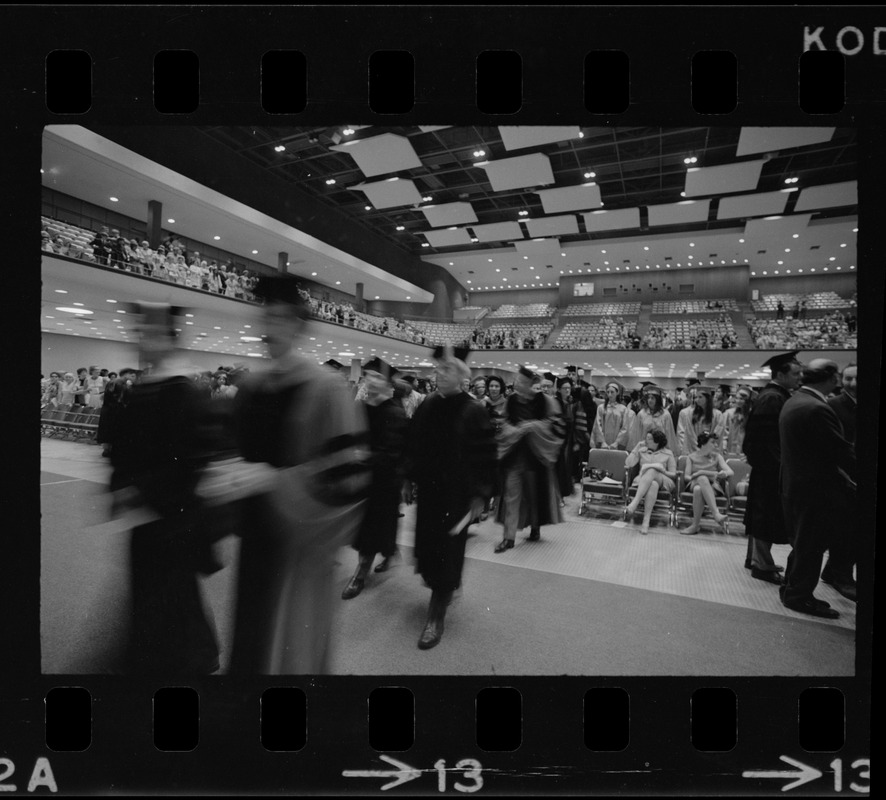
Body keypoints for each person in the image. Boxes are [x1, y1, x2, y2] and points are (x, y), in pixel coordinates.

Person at [228, 274, 370, 673]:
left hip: (301, 546)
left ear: (298, 326)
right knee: (251, 645)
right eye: (264, 317)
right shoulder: (251, 387)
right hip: (255, 537)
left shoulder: (327, 390)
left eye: (276, 318)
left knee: (291, 655)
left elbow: (348, 480)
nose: (266, 328)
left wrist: (275, 481)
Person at [108, 303, 220, 675]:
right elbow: (124, 447)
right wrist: (123, 483)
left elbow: (189, 461)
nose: (142, 340)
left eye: (151, 334)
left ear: (170, 340)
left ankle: (192, 659)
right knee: (166, 595)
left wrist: (141, 491)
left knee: (169, 595)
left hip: (172, 518)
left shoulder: (183, 392)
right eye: (140, 333)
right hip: (151, 515)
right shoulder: (147, 386)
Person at [404, 346, 497, 649]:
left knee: (447, 551)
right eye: (437, 369)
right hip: (430, 493)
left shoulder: (474, 410)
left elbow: (485, 456)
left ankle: (436, 614)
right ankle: (442, 590)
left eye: (446, 370)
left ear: (461, 375)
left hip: (457, 497)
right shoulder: (428, 404)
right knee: (430, 548)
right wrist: (407, 478)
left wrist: (481, 495)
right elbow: (413, 444)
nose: (438, 374)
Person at [779, 360, 856, 618]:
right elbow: (839, 450)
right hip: (814, 489)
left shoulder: (795, 400)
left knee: (803, 544)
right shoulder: (815, 408)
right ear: (831, 378)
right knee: (810, 546)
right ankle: (799, 597)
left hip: (797, 485)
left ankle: (791, 588)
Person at [341, 358, 408, 600]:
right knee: (370, 526)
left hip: (384, 481)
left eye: (377, 376)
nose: (371, 379)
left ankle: (360, 574)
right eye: (368, 375)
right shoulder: (362, 407)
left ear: (389, 383)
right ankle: (388, 552)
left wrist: (365, 456)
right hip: (363, 477)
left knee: (372, 527)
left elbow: (393, 452)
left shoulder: (394, 412)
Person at [741, 351, 802, 585]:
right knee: (764, 517)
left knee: (762, 515)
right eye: (795, 373)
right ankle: (762, 565)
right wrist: (779, 467)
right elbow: (764, 440)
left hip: (768, 467)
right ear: (780, 374)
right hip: (769, 469)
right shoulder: (772, 398)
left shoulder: (775, 395)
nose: (800, 377)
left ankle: (756, 560)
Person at [494, 367, 565, 552]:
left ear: (528, 384)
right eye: (516, 380)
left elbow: (556, 424)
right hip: (515, 457)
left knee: (535, 496)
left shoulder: (545, 402)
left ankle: (535, 527)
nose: (516, 383)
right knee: (512, 497)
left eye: (520, 381)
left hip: (536, 458)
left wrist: (533, 426)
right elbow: (503, 423)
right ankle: (508, 538)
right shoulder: (510, 401)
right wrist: (513, 431)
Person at [819, 363, 857, 601]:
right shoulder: (832, 406)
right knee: (846, 529)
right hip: (841, 477)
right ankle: (841, 576)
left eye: (856, 379)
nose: (852, 383)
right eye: (847, 378)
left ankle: (832, 570)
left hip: (856, 474)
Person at [623, 429, 677, 535]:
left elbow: (673, 474)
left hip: (664, 480)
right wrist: (637, 447)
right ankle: (645, 522)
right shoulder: (641, 450)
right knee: (653, 484)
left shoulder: (668, 453)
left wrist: (662, 470)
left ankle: (635, 502)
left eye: (649, 439)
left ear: (657, 441)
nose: (646, 441)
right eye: (646, 438)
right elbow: (628, 464)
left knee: (652, 470)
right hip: (643, 480)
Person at [678, 431, 732, 535]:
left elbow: (730, 472)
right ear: (703, 444)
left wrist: (722, 473)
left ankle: (695, 526)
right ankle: (716, 513)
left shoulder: (717, 456)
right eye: (712, 442)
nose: (716, 445)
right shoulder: (691, 457)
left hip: (713, 486)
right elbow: (687, 477)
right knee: (702, 479)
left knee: (698, 489)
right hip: (694, 482)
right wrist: (698, 476)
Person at [626, 384, 679, 454]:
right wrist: (634, 451)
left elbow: (669, 436)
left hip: (661, 452)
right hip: (644, 451)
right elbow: (636, 435)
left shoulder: (665, 415)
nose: (650, 400)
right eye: (648, 398)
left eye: (653, 398)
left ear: (658, 400)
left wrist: (670, 453)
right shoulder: (641, 414)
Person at [96, 367, 137, 457]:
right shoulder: (117, 383)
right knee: (110, 430)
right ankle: (108, 450)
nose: (133, 377)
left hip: (112, 410)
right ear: (126, 374)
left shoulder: (120, 383)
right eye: (132, 375)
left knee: (109, 431)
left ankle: (109, 449)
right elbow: (118, 399)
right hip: (113, 411)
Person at [677, 386, 725, 455]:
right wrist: (698, 447)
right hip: (694, 451)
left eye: (700, 397)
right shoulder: (691, 414)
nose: (696, 400)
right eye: (696, 397)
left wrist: (707, 448)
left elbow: (718, 434)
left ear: (707, 398)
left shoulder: (717, 414)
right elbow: (690, 434)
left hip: (711, 452)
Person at [592, 381, 630, 450]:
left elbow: (625, 427)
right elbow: (598, 425)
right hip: (603, 444)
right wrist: (602, 442)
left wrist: (617, 443)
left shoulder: (623, 409)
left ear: (617, 393)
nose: (609, 395)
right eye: (608, 392)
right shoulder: (601, 408)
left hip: (617, 445)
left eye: (612, 392)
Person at [722, 386, 752, 459]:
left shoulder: (751, 415)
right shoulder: (729, 413)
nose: (738, 401)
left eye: (741, 399)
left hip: (745, 452)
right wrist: (723, 446)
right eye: (737, 398)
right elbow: (724, 432)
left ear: (747, 400)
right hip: (730, 450)